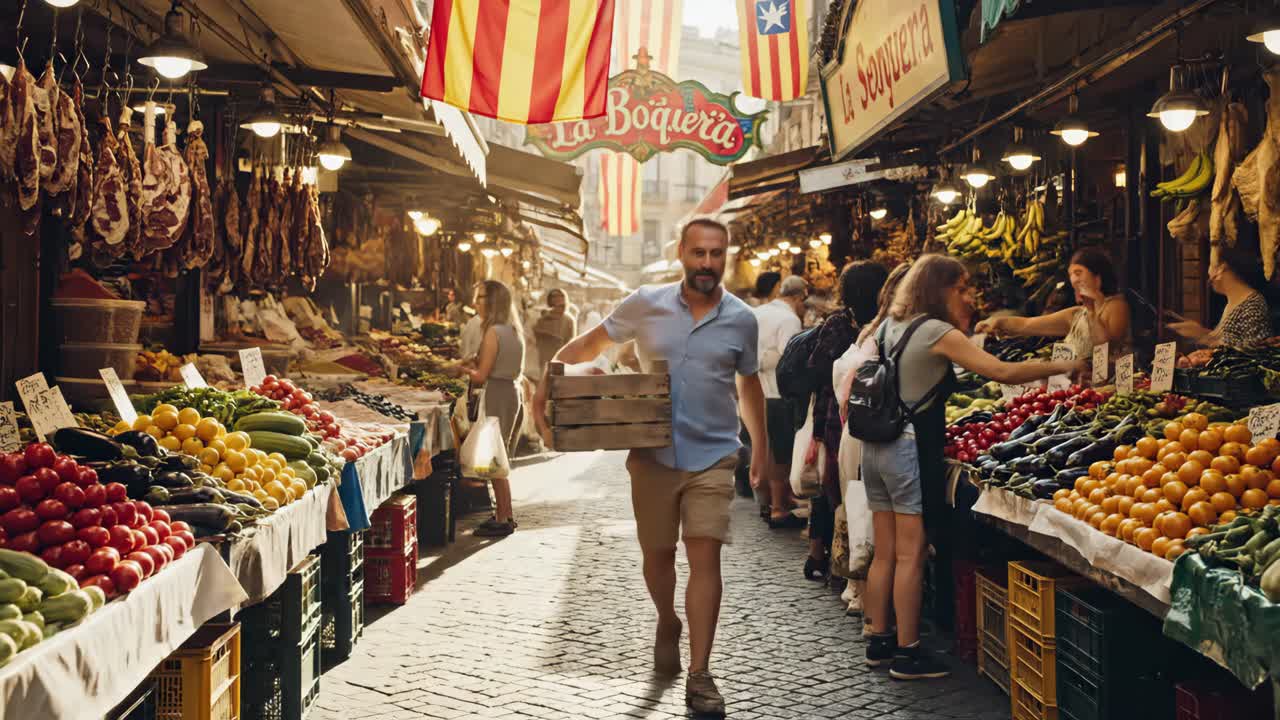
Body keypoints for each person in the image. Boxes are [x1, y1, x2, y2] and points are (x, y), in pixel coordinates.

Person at [532, 218, 766, 717]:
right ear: (681, 252)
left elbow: (749, 386)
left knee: (706, 559)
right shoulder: (644, 302)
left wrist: (762, 450)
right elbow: (591, 344)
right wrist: (547, 378)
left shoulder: (742, 319)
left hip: (715, 455)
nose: (707, 263)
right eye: (699, 253)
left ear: (726, 256)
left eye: (716, 254)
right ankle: (667, 620)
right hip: (651, 453)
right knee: (657, 555)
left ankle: (701, 675)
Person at [861, 254, 1082, 681]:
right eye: (960, 288)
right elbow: (1000, 370)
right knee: (910, 551)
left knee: (884, 550)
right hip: (908, 447)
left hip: (877, 446)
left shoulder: (891, 325)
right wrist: (1063, 365)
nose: (968, 295)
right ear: (938, 289)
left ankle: (879, 639)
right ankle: (907, 654)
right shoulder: (935, 331)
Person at [803, 262, 889, 582]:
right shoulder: (884, 325)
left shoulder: (839, 323)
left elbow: (816, 367)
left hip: (834, 416)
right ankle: (851, 559)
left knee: (835, 487)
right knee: (861, 488)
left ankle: (825, 555)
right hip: (871, 417)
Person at [974, 247, 1131, 361]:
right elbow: (1028, 324)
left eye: (1078, 273)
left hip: (1104, 390)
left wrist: (1091, 310)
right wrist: (997, 322)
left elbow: (1105, 351)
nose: (1074, 279)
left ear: (1098, 277)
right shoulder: (1076, 314)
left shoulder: (1116, 306)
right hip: (1078, 388)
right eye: (1071, 274)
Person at [464, 280, 527, 538]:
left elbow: (480, 376)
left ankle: (504, 517)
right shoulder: (513, 330)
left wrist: (461, 369)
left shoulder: (493, 332)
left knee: (495, 458)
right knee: (498, 455)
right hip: (509, 392)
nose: (475, 303)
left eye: (480, 298)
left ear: (492, 303)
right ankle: (504, 513)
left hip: (498, 394)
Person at [752, 275, 808, 529]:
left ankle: (775, 501)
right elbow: (791, 359)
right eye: (803, 301)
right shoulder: (789, 319)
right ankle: (778, 508)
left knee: (768, 445)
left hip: (760, 387)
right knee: (782, 451)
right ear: (797, 297)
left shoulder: (759, 312)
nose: (804, 307)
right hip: (782, 391)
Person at [1168, 245, 1273, 347]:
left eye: (1211, 264)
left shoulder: (1253, 305)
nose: (1208, 272)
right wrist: (1201, 332)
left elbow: (1254, 353)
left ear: (1221, 268)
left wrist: (1202, 335)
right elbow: (1228, 339)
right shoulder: (1233, 303)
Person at [533, 289, 577, 377]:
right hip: (544, 360)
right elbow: (535, 338)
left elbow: (572, 342)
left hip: (561, 360)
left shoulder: (569, 320)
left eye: (561, 298)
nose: (558, 300)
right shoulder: (542, 319)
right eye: (555, 297)